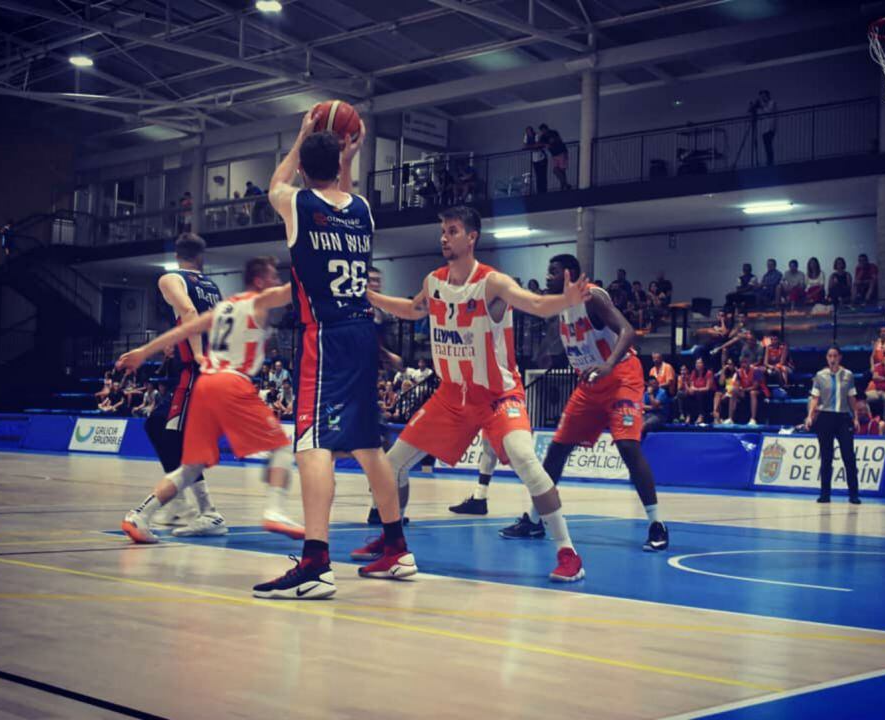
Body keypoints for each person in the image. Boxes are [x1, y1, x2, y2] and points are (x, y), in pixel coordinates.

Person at [367, 206, 589, 581]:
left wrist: (566, 301)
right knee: (391, 465)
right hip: (451, 396)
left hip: (498, 395)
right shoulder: (433, 281)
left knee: (524, 459)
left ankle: (568, 553)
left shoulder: (492, 283)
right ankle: (393, 541)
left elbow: (534, 304)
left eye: (452, 231)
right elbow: (410, 309)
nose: (444, 237)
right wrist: (372, 298)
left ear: (471, 237)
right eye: (442, 231)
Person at [253, 109, 417, 599]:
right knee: (367, 444)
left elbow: (273, 184)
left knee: (311, 444)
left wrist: (303, 134)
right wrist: (350, 152)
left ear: (305, 166)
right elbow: (339, 186)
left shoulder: (298, 204)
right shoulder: (362, 209)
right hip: (364, 331)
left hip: (324, 336)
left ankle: (316, 562)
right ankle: (397, 548)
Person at [118, 257, 305, 545]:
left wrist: (142, 352)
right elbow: (295, 290)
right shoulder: (260, 300)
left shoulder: (225, 307)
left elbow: (182, 330)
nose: (276, 282)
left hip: (206, 384)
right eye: (272, 277)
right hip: (232, 382)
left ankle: (141, 515)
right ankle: (275, 511)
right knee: (281, 447)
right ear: (259, 281)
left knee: (192, 465)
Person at [507, 254, 668, 551]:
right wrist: (546, 354)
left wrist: (608, 363)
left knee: (627, 447)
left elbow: (628, 331)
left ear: (569, 274)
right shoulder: (563, 305)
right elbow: (565, 338)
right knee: (556, 449)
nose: (547, 277)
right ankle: (533, 520)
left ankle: (656, 524)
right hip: (590, 381)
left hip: (621, 375)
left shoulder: (591, 296)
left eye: (552, 272)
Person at [144, 233, 223, 534]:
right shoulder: (211, 286)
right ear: (201, 257)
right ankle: (190, 505)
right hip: (209, 366)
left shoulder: (171, 279)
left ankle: (196, 508)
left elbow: (189, 312)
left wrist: (197, 353)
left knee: (162, 429)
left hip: (195, 369)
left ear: (176, 255)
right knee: (166, 430)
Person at [804, 346, 860, 504]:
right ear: (827, 358)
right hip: (825, 417)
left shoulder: (848, 375)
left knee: (849, 456)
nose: (832, 358)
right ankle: (825, 494)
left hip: (843, 418)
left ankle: (854, 494)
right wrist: (810, 416)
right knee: (826, 457)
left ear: (840, 357)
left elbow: (852, 398)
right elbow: (815, 398)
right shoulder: (820, 376)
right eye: (830, 356)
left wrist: (855, 417)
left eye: (835, 355)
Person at [731, 355, 766, 426]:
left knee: (752, 393)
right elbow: (737, 384)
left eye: (745, 363)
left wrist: (743, 390)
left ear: (749, 363)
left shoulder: (756, 371)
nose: (743, 365)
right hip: (746, 391)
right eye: (742, 363)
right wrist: (738, 389)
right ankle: (730, 418)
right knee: (734, 391)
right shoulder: (739, 372)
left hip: (760, 391)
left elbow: (755, 386)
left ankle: (753, 419)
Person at [538, 123, 571, 190]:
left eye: (544, 129)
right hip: (554, 154)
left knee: (562, 170)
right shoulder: (543, 137)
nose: (543, 131)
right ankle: (565, 184)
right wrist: (545, 144)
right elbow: (540, 143)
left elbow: (556, 140)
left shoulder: (553, 132)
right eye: (542, 130)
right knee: (556, 170)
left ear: (547, 128)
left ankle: (563, 186)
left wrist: (549, 143)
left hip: (561, 152)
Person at [685, 357, 714, 425]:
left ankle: (701, 415)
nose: (698, 364)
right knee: (686, 394)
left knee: (699, 394)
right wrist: (691, 390)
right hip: (696, 392)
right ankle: (688, 416)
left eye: (699, 363)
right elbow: (692, 385)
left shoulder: (708, 373)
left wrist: (697, 389)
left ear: (703, 364)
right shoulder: (694, 372)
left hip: (707, 393)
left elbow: (708, 388)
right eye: (697, 363)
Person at [712, 357, 738, 424]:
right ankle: (715, 414)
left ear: (734, 365)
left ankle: (730, 418)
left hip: (735, 391)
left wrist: (726, 394)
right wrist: (723, 370)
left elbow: (733, 385)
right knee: (717, 393)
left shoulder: (737, 372)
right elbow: (721, 383)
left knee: (730, 393)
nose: (729, 366)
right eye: (728, 364)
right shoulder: (726, 371)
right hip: (727, 391)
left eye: (731, 364)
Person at [524, 126, 547, 194]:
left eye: (529, 131)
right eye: (527, 132)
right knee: (538, 175)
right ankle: (539, 191)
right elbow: (525, 145)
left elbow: (537, 145)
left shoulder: (536, 135)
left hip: (541, 158)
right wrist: (531, 146)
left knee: (542, 175)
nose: (528, 133)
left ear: (532, 131)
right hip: (534, 159)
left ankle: (544, 190)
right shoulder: (526, 137)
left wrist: (530, 146)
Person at [756, 90, 777, 166]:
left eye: (763, 96)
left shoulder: (772, 102)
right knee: (766, 145)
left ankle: (770, 161)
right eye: (761, 97)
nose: (762, 98)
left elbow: (769, 111)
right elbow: (761, 115)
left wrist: (761, 106)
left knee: (768, 144)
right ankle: (769, 160)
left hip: (771, 127)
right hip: (764, 128)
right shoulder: (764, 105)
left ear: (767, 95)